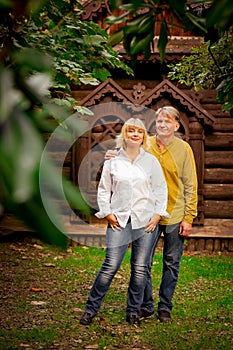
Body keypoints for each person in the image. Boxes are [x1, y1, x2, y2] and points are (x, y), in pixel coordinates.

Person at [105, 106, 198, 323]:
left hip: (175, 213)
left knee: (171, 262)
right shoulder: (146, 145)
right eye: (159, 122)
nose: (163, 125)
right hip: (148, 214)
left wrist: (188, 217)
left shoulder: (184, 149)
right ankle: (145, 305)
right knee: (142, 263)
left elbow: (190, 184)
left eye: (168, 122)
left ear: (176, 125)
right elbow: (126, 155)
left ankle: (165, 307)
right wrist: (112, 155)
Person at [80, 118, 169, 326]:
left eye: (139, 131)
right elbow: (104, 190)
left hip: (145, 220)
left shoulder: (151, 162)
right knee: (110, 265)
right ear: (125, 134)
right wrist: (107, 213)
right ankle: (90, 310)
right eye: (131, 131)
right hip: (118, 220)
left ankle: (133, 312)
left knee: (139, 268)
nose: (135, 135)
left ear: (144, 136)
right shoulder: (113, 161)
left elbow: (160, 189)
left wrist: (157, 215)